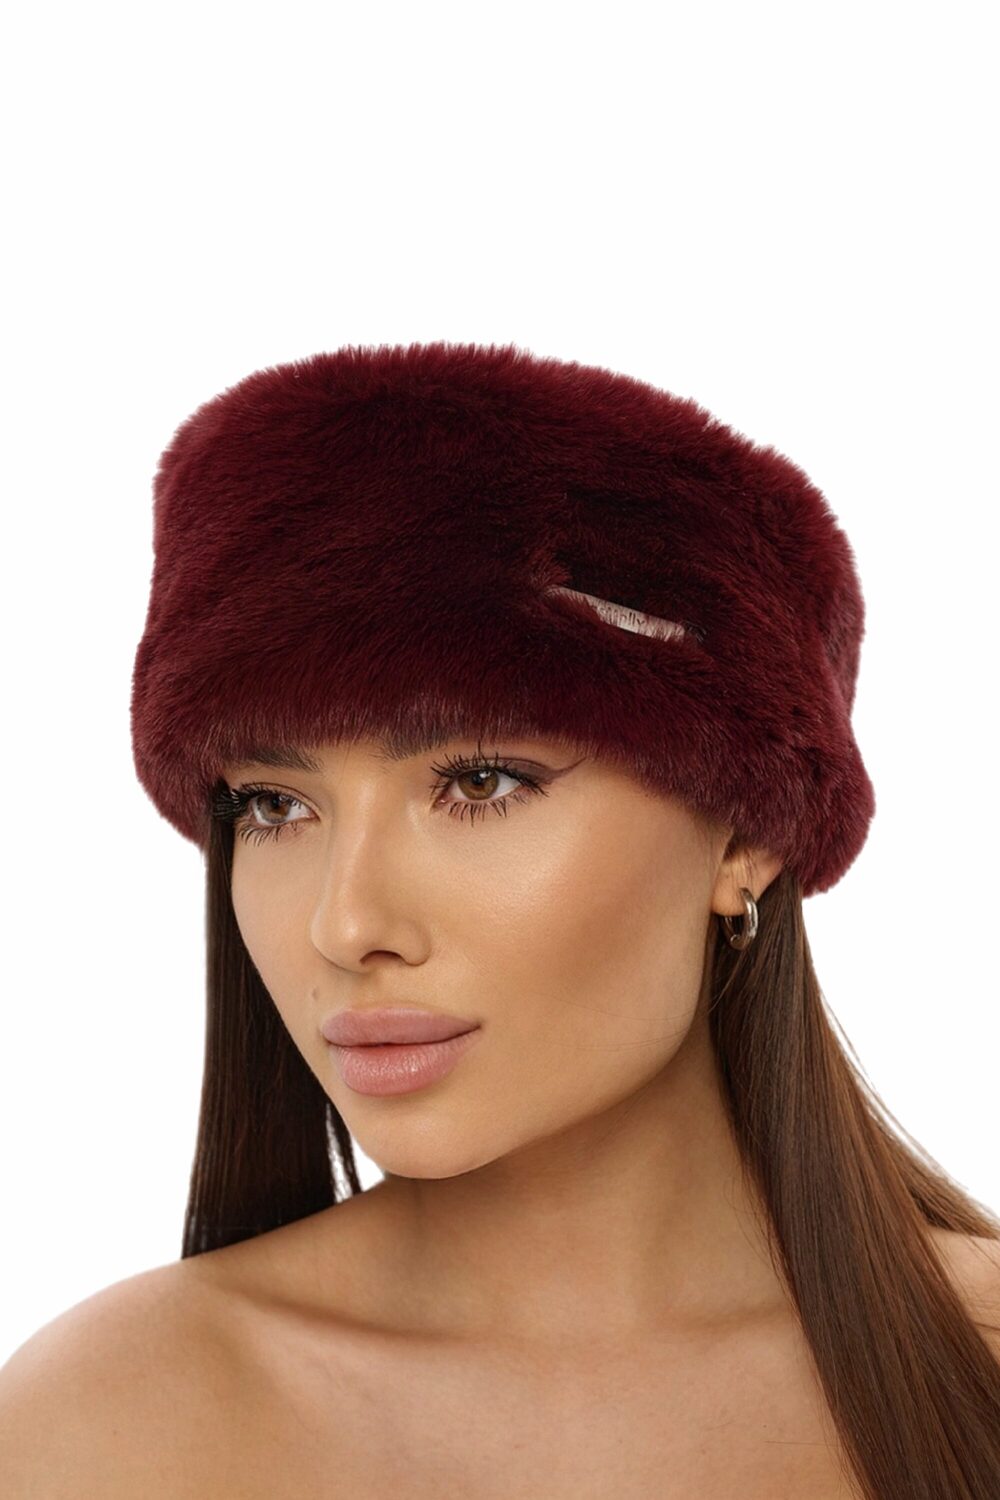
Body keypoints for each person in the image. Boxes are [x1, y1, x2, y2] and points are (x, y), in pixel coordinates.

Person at [2, 342, 999, 1498]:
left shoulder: (973, 1364)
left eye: (479, 783)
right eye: (274, 805)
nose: (345, 923)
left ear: (745, 838)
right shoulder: (108, 1427)